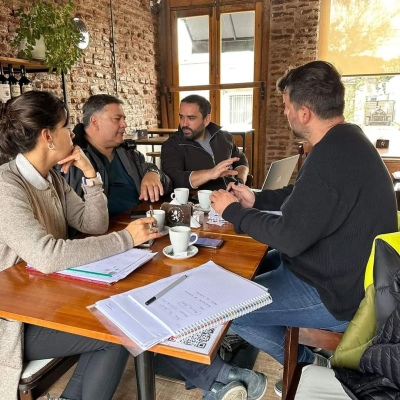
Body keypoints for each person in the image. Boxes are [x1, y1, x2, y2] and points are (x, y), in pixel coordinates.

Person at [0, 91, 162, 400]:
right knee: (116, 332)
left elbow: (94, 224)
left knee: (119, 322)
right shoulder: (6, 186)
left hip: (46, 298)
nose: (73, 133)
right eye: (66, 126)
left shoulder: (52, 178)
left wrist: (90, 175)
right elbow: (47, 255)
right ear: (48, 136)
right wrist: (127, 238)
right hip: (14, 322)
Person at [63, 94, 172, 217]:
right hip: (106, 232)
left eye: (123, 119)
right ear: (95, 121)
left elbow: (168, 184)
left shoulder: (129, 153)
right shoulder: (73, 160)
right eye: (117, 119)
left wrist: (154, 173)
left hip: (141, 221)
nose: (124, 124)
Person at [161, 94, 249, 191]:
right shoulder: (172, 145)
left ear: (206, 119)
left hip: (233, 199)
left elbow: (240, 159)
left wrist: (239, 183)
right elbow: (173, 179)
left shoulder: (224, 137)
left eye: (191, 118)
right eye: (181, 117)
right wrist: (210, 173)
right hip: (198, 203)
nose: (184, 124)